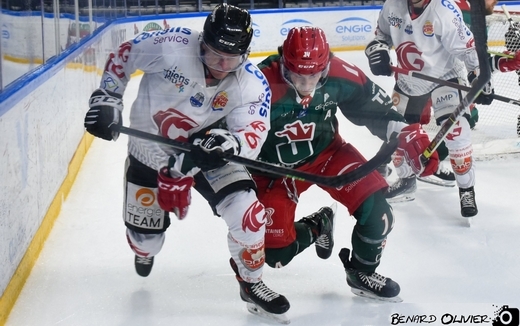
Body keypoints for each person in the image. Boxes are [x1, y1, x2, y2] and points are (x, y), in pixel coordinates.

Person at [83, 4, 290, 318]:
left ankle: (251, 282)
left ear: (246, 55)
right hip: (148, 156)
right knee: (147, 245)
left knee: (250, 215)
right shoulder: (172, 45)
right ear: (201, 43)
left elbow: (253, 132)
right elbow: (124, 55)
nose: (221, 64)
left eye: (231, 58)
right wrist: (108, 97)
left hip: (206, 154)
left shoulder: (251, 84)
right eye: (213, 53)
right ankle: (144, 247)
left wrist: (231, 142)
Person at [252, 26, 439, 302]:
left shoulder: (341, 74)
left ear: (326, 64)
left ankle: (362, 271)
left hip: (328, 155)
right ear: (284, 63)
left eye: (314, 75)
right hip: (274, 171)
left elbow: (377, 110)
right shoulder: (258, 82)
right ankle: (319, 224)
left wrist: (407, 135)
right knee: (276, 255)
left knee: (378, 214)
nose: (306, 85)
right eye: (297, 76)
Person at [365, 0, 520, 217]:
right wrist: (378, 50)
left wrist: (480, 77)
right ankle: (407, 180)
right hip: (409, 79)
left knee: (458, 134)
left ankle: (466, 190)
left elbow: (469, 51)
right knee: (399, 135)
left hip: (445, 77)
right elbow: (380, 35)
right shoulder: (393, 4)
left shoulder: (444, 11)